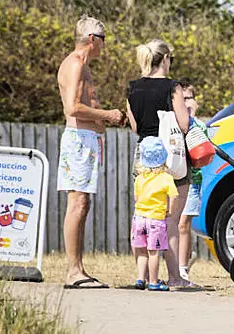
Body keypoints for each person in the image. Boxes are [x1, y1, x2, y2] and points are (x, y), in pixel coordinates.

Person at [57, 15, 124, 289]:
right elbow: (71, 108)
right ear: (92, 39)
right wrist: (107, 115)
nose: (105, 46)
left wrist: (99, 131)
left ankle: (79, 268)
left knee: (85, 204)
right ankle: (73, 271)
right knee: (78, 203)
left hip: (86, 139)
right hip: (77, 140)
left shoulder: (84, 66)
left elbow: (86, 103)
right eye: (104, 40)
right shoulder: (74, 64)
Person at [126, 39, 191, 287]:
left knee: (143, 216)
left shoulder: (132, 88)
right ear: (165, 59)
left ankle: (142, 276)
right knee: (169, 220)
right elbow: (184, 124)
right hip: (171, 155)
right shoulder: (173, 88)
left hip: (143, 155)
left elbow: (135, 127)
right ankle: (174, 277)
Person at [131, 137, 179, 291]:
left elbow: (136, 198)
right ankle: (153, 282)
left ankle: (140, 279)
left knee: (142, 251)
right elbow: (174, 196)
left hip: (139, 218)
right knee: (153, 253)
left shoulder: (139, 178)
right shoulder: (166, 178)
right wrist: (170, 211)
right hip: (156, 220)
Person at [178, 86, 203, 283]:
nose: (186, 102)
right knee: (176, 224)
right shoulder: (173, 123)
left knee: (183, 225)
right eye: (182, 98)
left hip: (193, 181)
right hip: (176, 180)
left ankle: (182, 268)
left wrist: (192, 116)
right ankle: (182, 258)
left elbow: (201, 146)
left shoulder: (199, 125)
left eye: (190, 98)